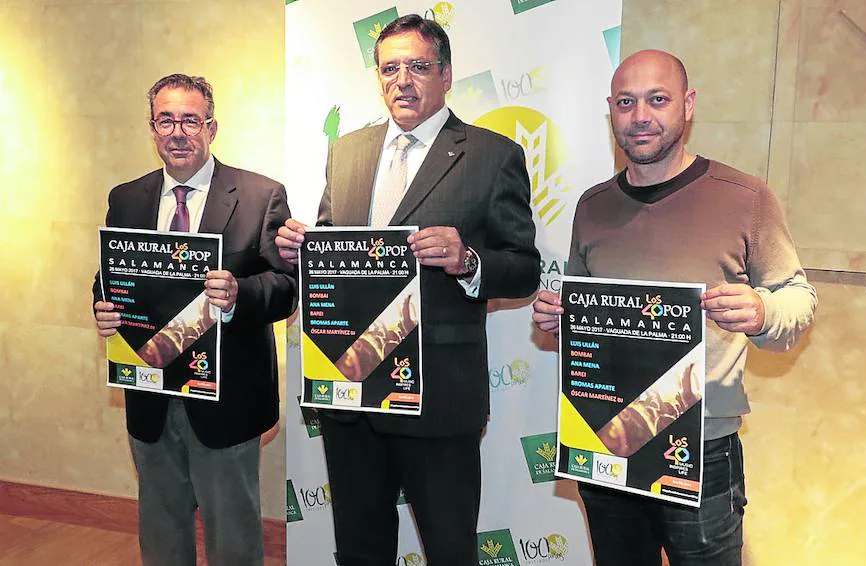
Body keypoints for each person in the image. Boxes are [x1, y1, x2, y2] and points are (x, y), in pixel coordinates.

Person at [532, 50, 817, 565]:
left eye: (657, 100)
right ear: (611, 112)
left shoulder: (745, 197)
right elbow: (580, 304)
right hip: (605, 439)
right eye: (626, 103)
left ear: (687, 105)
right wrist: (558, 319)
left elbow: (798, 298)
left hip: (701, 446)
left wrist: (761, 311)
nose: (641, 116)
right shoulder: (592, 206)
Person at [275, 14, 540, 566]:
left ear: (445, 75)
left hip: (440, 399)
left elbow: (522, 268)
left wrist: (468, 259)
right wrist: (303, 251)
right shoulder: (346, 151)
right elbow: (334, 249)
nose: (403, 80)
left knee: (448, 549)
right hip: (349, 391)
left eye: (418, 66)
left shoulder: (493, 156)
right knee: (360, 547)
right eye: (390, 67)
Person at [92, 74, 297, 566]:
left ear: (211, 127)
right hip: (151, 394)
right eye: (166, 120)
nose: (178, 131)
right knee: (161, 531)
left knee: (232, 538)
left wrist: (238, 295)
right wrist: (102, 305)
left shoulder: (260, 195)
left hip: (228, 400)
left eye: (190, 119)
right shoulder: (127, 198)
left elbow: (286, 289)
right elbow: (109, 277)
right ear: (152, 128)